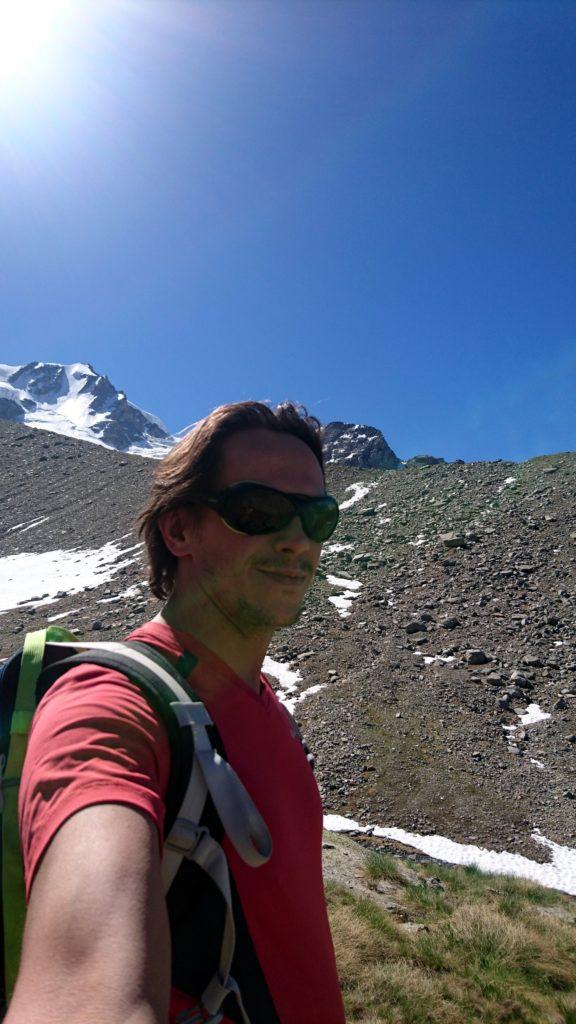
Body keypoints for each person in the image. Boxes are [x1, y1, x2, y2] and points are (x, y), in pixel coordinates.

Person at [9, 401, 346, 1024]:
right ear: (179, 532)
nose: (297, 538)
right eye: (259, 511)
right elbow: (87, 991)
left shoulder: (266, 703)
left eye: (316, 516)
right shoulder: (110, 702)